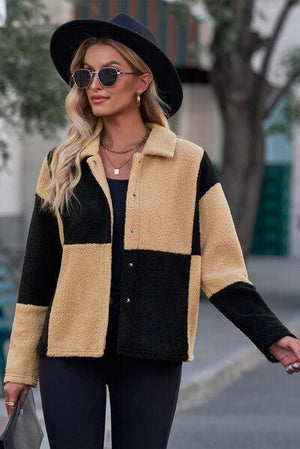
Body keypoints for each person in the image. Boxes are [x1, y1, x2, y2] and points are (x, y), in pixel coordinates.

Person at [3, 13, 300, 449]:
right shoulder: (62, 164)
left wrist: (273, 335)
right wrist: (18, 369)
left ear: (142, 82)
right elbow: (38, 277)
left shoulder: (189, 164)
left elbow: (222, 269)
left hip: (153, 349)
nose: (94, 85)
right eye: (85, 74)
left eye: (108, 73)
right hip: (68, 351)